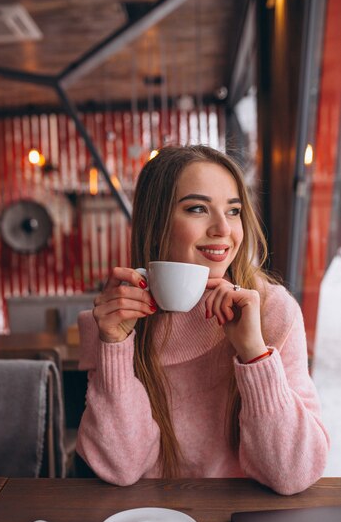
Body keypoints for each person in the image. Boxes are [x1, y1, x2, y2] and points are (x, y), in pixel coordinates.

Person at [75, 144, 329, 495]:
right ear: (157, 221)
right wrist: (115, 346)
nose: (223, 228)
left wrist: (254, 353)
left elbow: (294, 473)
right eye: (197, 209)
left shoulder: (271, 311)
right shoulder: (113, 319)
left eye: (234, 210)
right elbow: (120, 467)